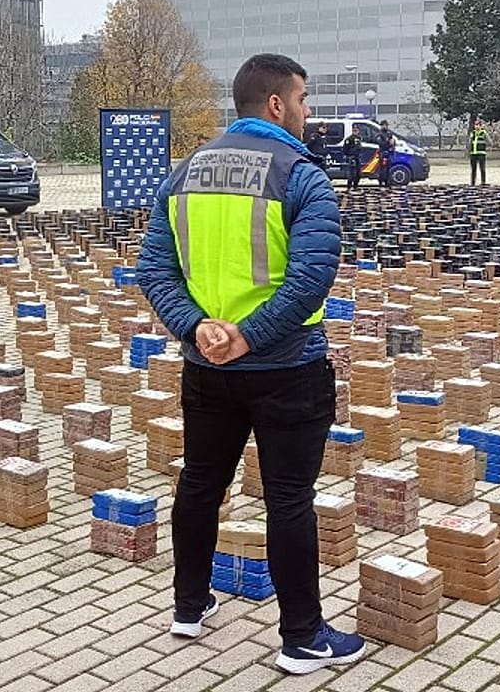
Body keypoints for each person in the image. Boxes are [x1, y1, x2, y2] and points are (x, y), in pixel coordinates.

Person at [137, 53, 365, 676]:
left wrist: (197, 327)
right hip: (287, 367)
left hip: (207, 367)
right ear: (275, 104)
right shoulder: (303, 176)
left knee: (201, 484)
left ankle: (189, 606)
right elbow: (312, 277)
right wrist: (251, 336)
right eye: (303, 99)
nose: (307, 111)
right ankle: (301, 637)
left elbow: (153, 269)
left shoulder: (181, 175)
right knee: (289, 499)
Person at [374, 119, 396, 187]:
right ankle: (380, 182)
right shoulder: (379, 134)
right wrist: (387, 142)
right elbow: (380, 143)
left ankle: (387, 182)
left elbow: (392, 142)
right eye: (384, 125)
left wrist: (392, 145)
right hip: (382, 152)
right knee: (382, 169)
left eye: (386, 125)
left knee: (388, 169)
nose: (386, 126)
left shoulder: (389, 133)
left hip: (388, 152)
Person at [468, 118, 490, 186]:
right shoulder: (473, 133)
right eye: (475, 125)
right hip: (473, 154)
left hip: (481, 154)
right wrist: (469, 151)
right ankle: (472, 183)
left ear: (481, 126)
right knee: (473, 170)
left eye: (478, 125)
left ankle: (483, 182)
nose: (476, 126)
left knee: (482, 169)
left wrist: (484, 146)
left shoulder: (484, 133)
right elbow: (469, 143)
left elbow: (489, 142)